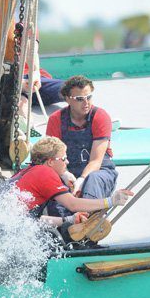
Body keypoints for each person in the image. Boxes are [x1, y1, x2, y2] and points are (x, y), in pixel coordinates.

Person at [14, 137, 132, 227]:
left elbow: (31, 219)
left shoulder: (26, 172)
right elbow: (73, 204)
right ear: (50, 162)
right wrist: (111, 201)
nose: (68, 162)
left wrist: (68, 220)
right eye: (64, 158)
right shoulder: (45, 173)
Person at [45, 75, 117, 217]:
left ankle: (87, 220)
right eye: (79, 99)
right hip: (68, 172)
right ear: (67, 99)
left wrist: (82, 179)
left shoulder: (100, 117)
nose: (86, 102)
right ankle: (64, 224)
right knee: (56, 189)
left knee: (93, 180)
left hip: (100, 171)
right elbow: (51, 157)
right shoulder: (56, 120)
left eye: (89, 97)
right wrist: (64, 174)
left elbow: (96, 161)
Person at [18, 38, 63, 120]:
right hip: (6, 81)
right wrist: (18, 84)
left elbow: (31, 46)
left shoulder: (28, 25)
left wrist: (35, 72)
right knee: (22, 109)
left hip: (35, 80)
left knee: (72, 88)